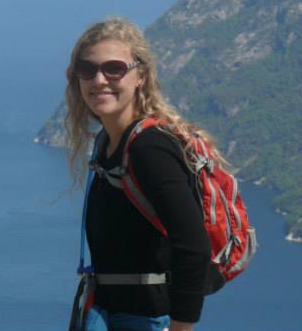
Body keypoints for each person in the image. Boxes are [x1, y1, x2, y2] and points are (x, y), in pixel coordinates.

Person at [65, 17, 216, 331]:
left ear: (141, 77)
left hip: (144, 319)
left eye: (114, 68)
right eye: (87, 69)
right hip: (107, 311)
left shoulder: (151, 150)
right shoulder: (107, 143)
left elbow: (194, 246)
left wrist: (181, 328)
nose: (99, 79)